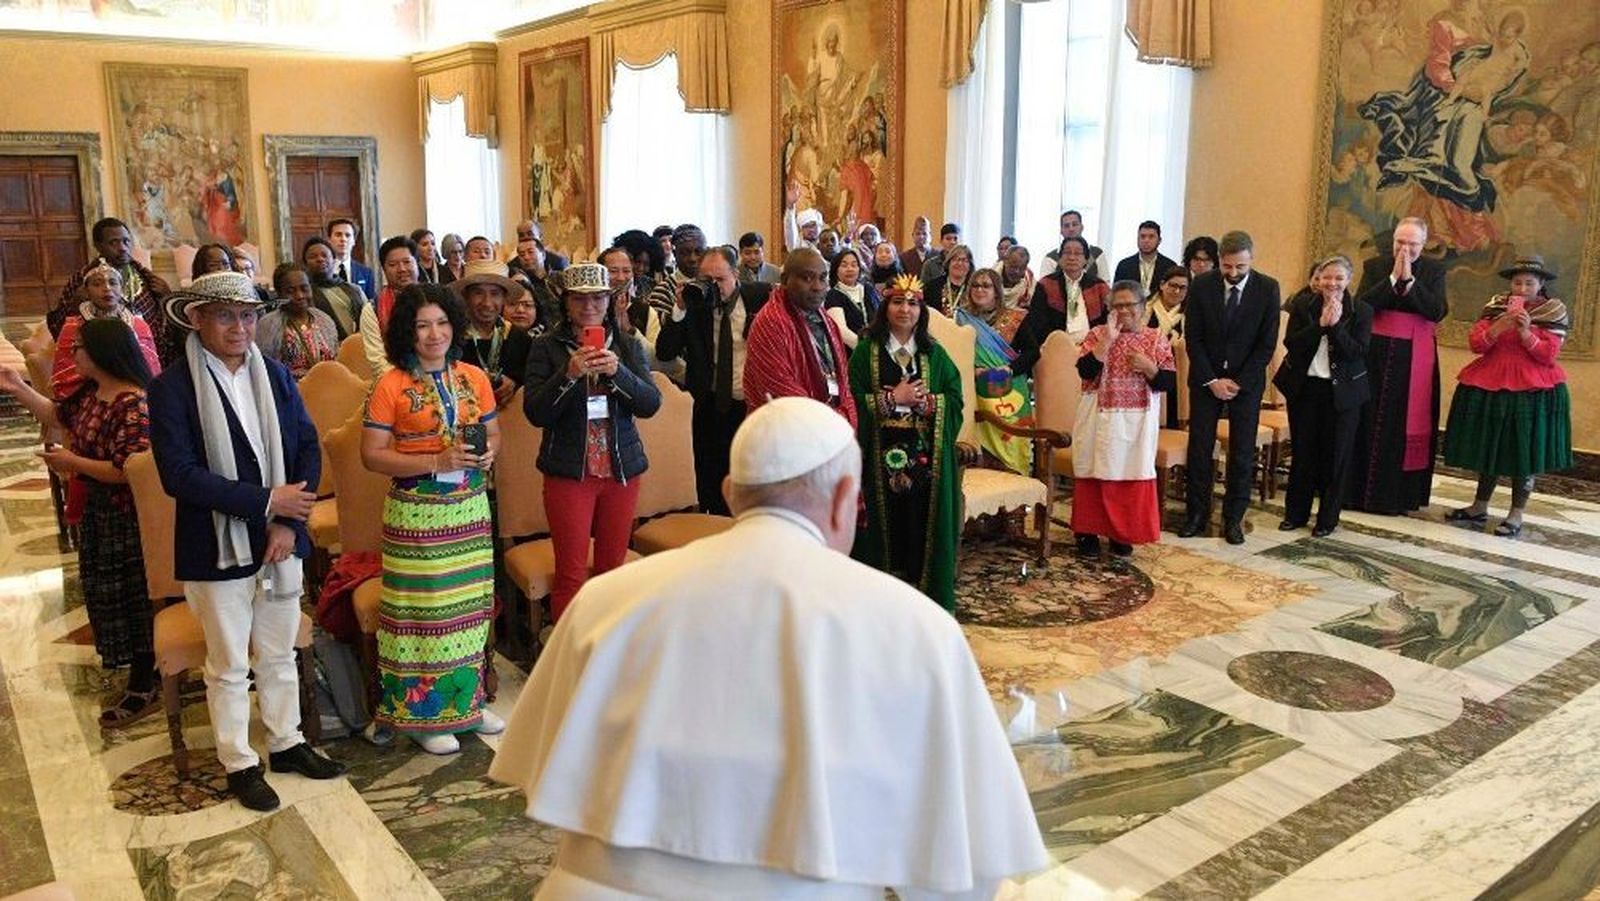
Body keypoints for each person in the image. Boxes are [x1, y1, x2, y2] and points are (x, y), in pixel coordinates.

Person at [487, 397, 1048, 899]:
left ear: (731, 495)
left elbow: (545, 770)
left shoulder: (604, 599)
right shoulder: (915, 627)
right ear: (845, 499)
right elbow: (966, 870)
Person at [147, 271, 345, 812]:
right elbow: (179, 475)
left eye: (249, 315)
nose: (240, 327)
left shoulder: (275, 374)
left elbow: (306, 447)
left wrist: (287, 523)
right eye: (226, 316)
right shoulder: (171, 388)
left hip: (279, 542)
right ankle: (239, 763)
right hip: (216, 546)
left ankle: (287, 743)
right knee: (229, 663)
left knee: (279, 651)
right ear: (197, 319)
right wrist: (265, 502)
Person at [360, 283, 503, 754]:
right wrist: (436, 461)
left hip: (469, 508)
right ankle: (425, 717)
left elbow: (494, 433)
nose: (434, 333)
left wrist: (488, 454)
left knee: (469, 609)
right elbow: (371, 455)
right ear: (408, 331)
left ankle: (469, 704)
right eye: (422, 325)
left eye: (442, 323)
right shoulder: (390, 384)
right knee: (426, 614)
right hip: (416, 512)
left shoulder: (473, 377)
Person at [1, 318, 160, 727]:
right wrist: (18, 388)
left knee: (132, 597)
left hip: (126, 516)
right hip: (100, 511)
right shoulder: (93, 391)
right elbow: (59, 416)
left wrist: (73, 462)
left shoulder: (133, 402)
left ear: (103, 352)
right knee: (108, 593)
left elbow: (128, 470)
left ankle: (146, 680)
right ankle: (140, 671)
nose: (72, 355)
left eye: (79, 349)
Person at [524, 264, 661, 622]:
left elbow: (650, 404)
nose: (589, 306)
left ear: (609, 300)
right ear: (566, 303)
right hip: (570, 473)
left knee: (612, 571)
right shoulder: (546, 346)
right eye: (579, 299)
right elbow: (536, 413)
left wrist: (618, 373)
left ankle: (606, 645)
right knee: (570, 574)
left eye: (598, 298)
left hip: (621, 472)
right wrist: (568, 375)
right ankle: (570, 650)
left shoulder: (628, 345)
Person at [851, 277, 964, 610]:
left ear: (921, 310)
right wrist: (890, 399)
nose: (905, 309)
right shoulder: (865, 352)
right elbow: (850, 401)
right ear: (885, 307)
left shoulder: (934, 353)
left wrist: (929, 404)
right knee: (884, 527)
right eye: (898, 302)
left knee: (919, 525)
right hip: (876, 457)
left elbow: (955, 399)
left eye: (913, 303)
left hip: (924, 459)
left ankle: (920, 602)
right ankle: (878, 603)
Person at [1443, 255, 1572, 538]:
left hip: (1533, 389)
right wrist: (1498, 327)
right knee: (1490, 448)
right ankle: (1479, 506)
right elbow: (1476, 345)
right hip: (1490, 383)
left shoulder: (1553, 310)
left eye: (1529, 283)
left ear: (1541, 284)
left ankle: (1516, 513)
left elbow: (1548, 355)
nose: (1522, 289)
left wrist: (1526, 332)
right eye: (1517, 283)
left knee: (1524, 452)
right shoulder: (1495, 307)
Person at [1177, 231, 1282, 545]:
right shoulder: (1202, 285)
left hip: (1245, 384)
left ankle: (1233, 517)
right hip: (1206, 380)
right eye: (1227, 266)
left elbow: (1266, 344)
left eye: (1240, 267)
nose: (1233, 273)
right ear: (1219, 260)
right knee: (1200, 448)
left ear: (1251, 260)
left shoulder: (1267, 288)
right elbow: (1193, 338)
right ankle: (1196, 514)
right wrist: (1212, 381)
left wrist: (1238, 382)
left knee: (1242, 452)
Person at [658, 246, 772, 514]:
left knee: (749, 479)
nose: (714, 286)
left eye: (720, 279)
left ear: (735, 274)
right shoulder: (696, 305)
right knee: (710, 481)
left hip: (749, 405)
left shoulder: (759, 297)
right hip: (708, 405)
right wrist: (680, 308)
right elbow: (665, 352)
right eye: (707, 279)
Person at [1347, 217, 1449, 514]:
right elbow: (1362, 306)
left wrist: (1410, 282)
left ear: (1423, 244)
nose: (1405, 249)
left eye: (1412, 244)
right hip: (1374, 354)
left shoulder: (1434, 271)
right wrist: (1392, 280)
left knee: (1401, 424)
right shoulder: (1375, 267)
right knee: (1366, 418)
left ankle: (1398, 498)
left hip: (1414, 357)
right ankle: (1356, 493)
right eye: (1400, 242)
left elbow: (1437, 310)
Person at [1071, 281, 1178, 556]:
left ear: (1142, 307)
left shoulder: (1155, 338)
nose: (1124, 311)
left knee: (1128, 472)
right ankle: (1087, 532)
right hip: (1097, 416)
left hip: (1137, 421)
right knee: (1093, 468)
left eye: (1130, 305)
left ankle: (1121, 534)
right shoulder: (1097, 334)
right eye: (1118, 306)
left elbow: (1168, 382)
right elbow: (1084, 370)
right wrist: (1107, 341)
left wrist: (1150, 368)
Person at [1274, 256, 1373, 538]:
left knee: (1336, 458)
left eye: (1339, 278)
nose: (1332, 283)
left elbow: (1357, 351)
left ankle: (1327, 519)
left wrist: (1336, 326)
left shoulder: (1361, 310)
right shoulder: (1303, 305)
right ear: (1318, 279)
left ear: (1349, 280)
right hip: (1305, 389)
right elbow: (1292, 343)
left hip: (1343, 394)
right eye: (1327, 277)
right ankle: (1295, 514)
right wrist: (1320, 325)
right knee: (1303, 453)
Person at [743, 247, 859, 427]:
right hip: (787, 432)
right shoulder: (770, 323)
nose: (817, 286)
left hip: (831, 425)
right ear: (784, 280)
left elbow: (843, 382)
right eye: (807, 278)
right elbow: (782, 393)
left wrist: (845, 418)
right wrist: (832, 423)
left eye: (822, 278)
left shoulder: (825, 319)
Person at [48, 217, 174, 366]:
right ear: (98, 246)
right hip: (103, 361)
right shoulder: (82, 282)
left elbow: (165, 323)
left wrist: (167, 296)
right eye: (114, 242)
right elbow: (62, 327)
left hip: (149, 356)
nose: (122, 248)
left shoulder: (146, 278)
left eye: (126, 241)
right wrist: (75, 305)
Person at [957, 267, 1034, 476]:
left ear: (997, 291)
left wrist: (1009, 369)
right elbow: (954, 355)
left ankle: (1016, 489)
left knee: (1011, 445)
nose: (979, 290)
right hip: (975, 392)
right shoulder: (960, 319)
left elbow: (1033, 352)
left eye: (986, 286)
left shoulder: (1015, 318)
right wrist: (973, 370)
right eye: (975, 285)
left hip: (1009, 391)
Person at [51, 259, 161, 400]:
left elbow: (150, 371)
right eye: (97, 284)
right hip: (86, 400)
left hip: (134, 397)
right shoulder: (73, 327)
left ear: (122, 289)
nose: (107, 288)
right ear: (86, 291)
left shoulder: (139, 326)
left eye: (113, 283)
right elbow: (65, 377)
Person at [1011, 236, 1110, 377]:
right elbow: (1037, 322)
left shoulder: (1099, 286)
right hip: (1056, 351)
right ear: (1060, 258)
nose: (1072, 257)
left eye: (1078, 253)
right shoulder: (1046, 284)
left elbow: (1106, 322)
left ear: (1086, 259)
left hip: (1091, 352)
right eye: (1067, 252)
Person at [451, 259, 535, 406]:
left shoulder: (519, 338)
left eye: (495, 294)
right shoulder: (451, 338)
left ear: (504, 298)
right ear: (466, 296)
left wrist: (515, 382)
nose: (487, 303)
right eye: (478, 293)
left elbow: (532, 379)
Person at [256, 263, 338, 379]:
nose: (299, 296)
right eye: (290, 291)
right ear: (279, 293)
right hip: (289, 388)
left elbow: (335, 359)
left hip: (327, 385)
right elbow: (265, 369)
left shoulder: (324, 319)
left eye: (304, 289)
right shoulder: (268, 325)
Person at [358, 235, 422, 378]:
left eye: (407, 262)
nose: (402, 269)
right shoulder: (372, 310)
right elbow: (377, 361)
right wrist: (407, 382)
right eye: (393, 265)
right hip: (392, 381)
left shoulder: (436, 301)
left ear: (417, 264)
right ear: (384, 270)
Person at [1148, 267, 1190, 428]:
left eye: (1182, 287)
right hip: (1149, 371)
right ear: (1162, 285)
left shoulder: (1191, 313)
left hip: (1179, 374)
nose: (1177, 291)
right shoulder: (1145, 309)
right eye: (1173, 285)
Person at [301, 236, 365, 341]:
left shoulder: (354, 290)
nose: (320, 259)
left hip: (355, 346)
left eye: (325, 255)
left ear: (334, 260)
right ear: (305, 263)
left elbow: (368, 321)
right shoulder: (303, 295)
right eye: (313, 257)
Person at [824, 245, 880, 347]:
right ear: (836, 270)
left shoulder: (868, 289)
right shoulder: (833, 295)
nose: (850, 269)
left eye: (854, 265)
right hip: (853, 350)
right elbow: (842, 331)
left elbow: (882, 317)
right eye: (844, 265)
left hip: (877, 345)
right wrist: (866, 349)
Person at [1039, 210, 1109, 281]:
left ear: (1081, 227)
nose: (1071, 229)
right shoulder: (1051, 259)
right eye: (1066, 226)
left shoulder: (1097, 254)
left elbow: (1105, 283)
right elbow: (1044, 285)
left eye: (1075, 224)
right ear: (1061, 231)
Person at [1113, 220, 1179, 293]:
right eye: (1142, 236)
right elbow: (1116, 294)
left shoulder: (1170, 266)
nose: (1146, 240)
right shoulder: (1124, 265)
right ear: (1137, 240)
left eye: (1151, 237)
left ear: (1159, 240)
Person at [327, 218, 375, 300]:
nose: (343, 239)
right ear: (329, 240)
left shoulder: (366, 273)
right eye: (338, 235)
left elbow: (371, 302)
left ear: (354, 241)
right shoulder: (323, 270)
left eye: (348, 235)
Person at [923, 243, 974, 317]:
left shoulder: (974, 288)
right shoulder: (932, 287)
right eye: (955, 259)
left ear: (970, 265)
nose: (959, 263)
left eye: (964, 260)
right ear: (948, 263)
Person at [999, 245, 1035, 309]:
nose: (1017, 272)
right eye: (1013, 267)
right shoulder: (991, 278)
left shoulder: (1029, 280)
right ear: (1005, 261)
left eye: (1021, 268)